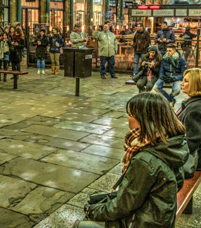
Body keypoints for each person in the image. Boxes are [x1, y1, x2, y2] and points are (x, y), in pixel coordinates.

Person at [75, 92, 188, 228]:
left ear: (143, 119)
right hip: (160, 217)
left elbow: (123, 206)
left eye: (131, 114)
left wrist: (92, 211)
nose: (128, 118)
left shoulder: (145, 159)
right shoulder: (170, 143)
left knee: (79, 225)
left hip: (144, 223)